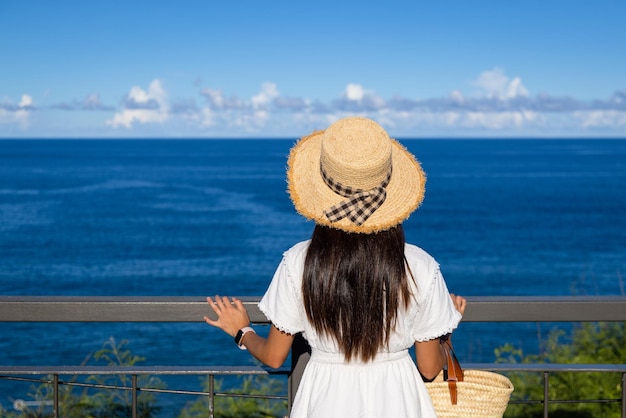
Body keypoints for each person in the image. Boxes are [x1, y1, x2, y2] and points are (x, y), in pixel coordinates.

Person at [204, 116, 467, 417]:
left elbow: (275, 357)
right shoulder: (420, 266)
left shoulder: (299, 262)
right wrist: (446, 329)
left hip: (325, 398)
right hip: (398, 400)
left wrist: (242, 331)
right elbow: (430, 369)